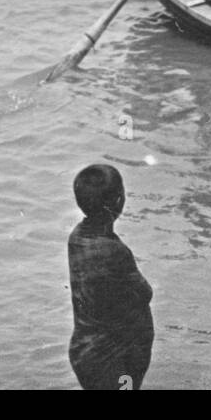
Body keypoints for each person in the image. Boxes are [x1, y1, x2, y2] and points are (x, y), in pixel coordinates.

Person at [66, 164, 154, 392]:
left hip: (87, 350)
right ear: (118, 201)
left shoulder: (77, 237)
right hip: (111, 355)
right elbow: (145, 292)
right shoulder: (114, 250)